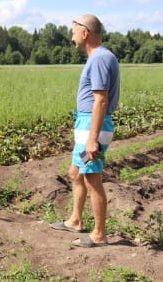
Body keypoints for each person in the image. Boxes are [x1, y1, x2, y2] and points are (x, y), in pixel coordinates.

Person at [50, 14, 120, 247]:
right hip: (87, 125)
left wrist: (92, 139)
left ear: (85, 32)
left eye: (73, 31)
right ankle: (75, 220)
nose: (71, 37)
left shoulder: (99, 59)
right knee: (75, 172)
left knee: (92, 178)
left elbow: (100, 100)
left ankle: (99, 235)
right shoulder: (99, 57)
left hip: (94, 126)